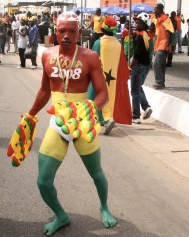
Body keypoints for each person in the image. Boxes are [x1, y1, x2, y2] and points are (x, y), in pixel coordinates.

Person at [13, 11, 116, 236]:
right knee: (43, 181)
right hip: (58, 124)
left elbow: (103, 94)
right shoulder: (48, 55)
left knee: (97, 174)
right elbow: (44, 90)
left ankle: (104, 207)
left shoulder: (90, 57)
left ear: (79, 32)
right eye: (62, 31)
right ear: (55, 32)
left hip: (82, 124)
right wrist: (29, 115)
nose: (66, 35)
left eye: (71, 31)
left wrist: (90, 108)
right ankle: (61, 215)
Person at [89, 16, 132, 134]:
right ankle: (108, 118)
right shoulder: (119, 45)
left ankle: (102, 119)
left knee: (94, 97)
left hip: (99, 76)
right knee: (110, 96)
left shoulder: (99, 43)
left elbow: (92, 59)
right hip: (114, 78)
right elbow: (122, 63)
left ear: (102, 29)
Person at [130, 13, 153, 124]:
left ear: (144, 24)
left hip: (138, 66)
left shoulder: (140, 37)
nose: (136, 24)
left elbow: (137, 54)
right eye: (136, 22)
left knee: (134, 91)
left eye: (138, 22)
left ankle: (135, 116)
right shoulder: (146, 35)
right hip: (146, 66)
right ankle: (146, 107)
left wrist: (131, 66)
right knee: (138, 87)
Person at [153, 3, 174, 89]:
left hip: (163, 44)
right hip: (159, 44)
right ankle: (161, 83)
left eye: (156, 9)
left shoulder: (165, 18)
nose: (154, 11)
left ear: (160, 10)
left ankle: (159, 82)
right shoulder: (159, 19)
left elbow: (169, 31)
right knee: (161, 64)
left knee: (156, 63)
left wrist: (167, 45)